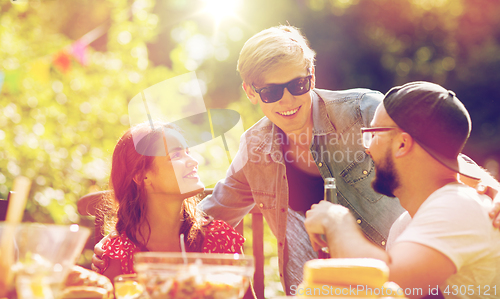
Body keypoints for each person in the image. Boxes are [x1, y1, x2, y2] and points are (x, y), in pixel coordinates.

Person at [197, 25, 406, 293]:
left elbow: (437, 164)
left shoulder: (364, 112)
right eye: (271, 92)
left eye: (297, 85)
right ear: (250, 92)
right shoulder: (255, 148)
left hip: (396, 286)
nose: (287, 100)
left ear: (312, 77)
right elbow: (212, 213)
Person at [304, 81, 500, 299]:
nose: (367, 147)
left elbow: (389, 283)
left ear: (402, 144)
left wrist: (336, 221)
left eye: (373, 134)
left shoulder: (457, 206)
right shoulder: (405, 226)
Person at [98, 121, 244, 281]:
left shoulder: (218, 238)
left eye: (187, 152)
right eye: (176, 155)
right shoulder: (120, 253)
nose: (194, 162)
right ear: (142, 176)